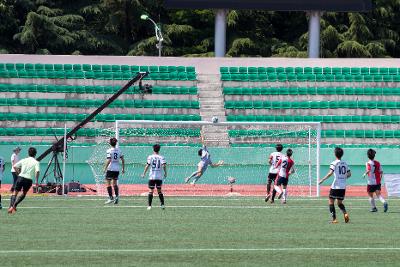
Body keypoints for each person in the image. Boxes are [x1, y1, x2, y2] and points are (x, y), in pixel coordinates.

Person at [319, 147, 351, 224]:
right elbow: (349, 174)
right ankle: (345, 213)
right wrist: (343, 177)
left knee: (331, 202)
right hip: (343, 187)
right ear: (342, 154)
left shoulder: (334, 163)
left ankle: (334, 219)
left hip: (335, 186)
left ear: (335, 154)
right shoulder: (345, 163)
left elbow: (330, 173)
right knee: (339, 203)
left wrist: (322, 179)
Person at [8, 147, 40, 214]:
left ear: (28, 153)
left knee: (15, 193)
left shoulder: (24, 160)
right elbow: (37, 171)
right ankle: (14, 206)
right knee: (24, 193)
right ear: (35, 154)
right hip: (28, 180)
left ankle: (11, 206)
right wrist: (36, 181)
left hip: (21, 177)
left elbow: (15, 166)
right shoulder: (36, 162)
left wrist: (18, 173)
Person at [141, 144, 167, 210]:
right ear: (159, 149)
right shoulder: (161, 157)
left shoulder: (150, 157)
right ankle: (162, 205)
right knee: (159, 191)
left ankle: (149, 206)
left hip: (152, 176)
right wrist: (165, 173)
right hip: (159, 177)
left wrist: (144, 173)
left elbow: (147, 165)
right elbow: (164, 165)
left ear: (153, 149)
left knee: (150, 191)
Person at [103, 138, 124, 205]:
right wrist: (123, 168)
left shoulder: (109, 150)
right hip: (117, 169)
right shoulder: (119, 150)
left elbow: (108, 160)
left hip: (111, 168)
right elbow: (123, 160)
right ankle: (117, 197)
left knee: (108, 183)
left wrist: (104, 168)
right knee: (115, 183)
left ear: (110, 143)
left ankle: (111, 198)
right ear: (116, 143)